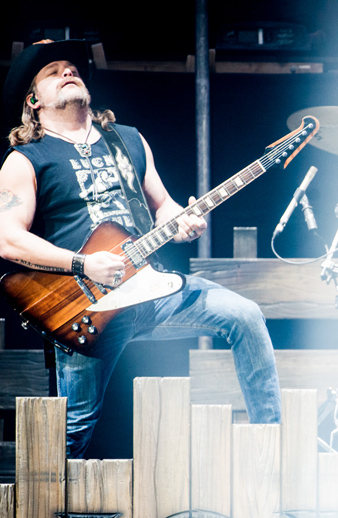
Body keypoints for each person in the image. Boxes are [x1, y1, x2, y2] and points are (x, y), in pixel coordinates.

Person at [0, 39, 281, 457]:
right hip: (85, 308)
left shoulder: (128, 140)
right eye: (52, 72)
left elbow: (163, 206)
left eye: (70, 67)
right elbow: (8, 239)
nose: (67, 72)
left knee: (246, 315)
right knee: (73, 433)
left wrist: (183, 222)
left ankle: (271, 446)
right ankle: (48, 499)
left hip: (149, 289)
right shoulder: (27, 158)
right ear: (33, 100)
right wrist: (83, 264)